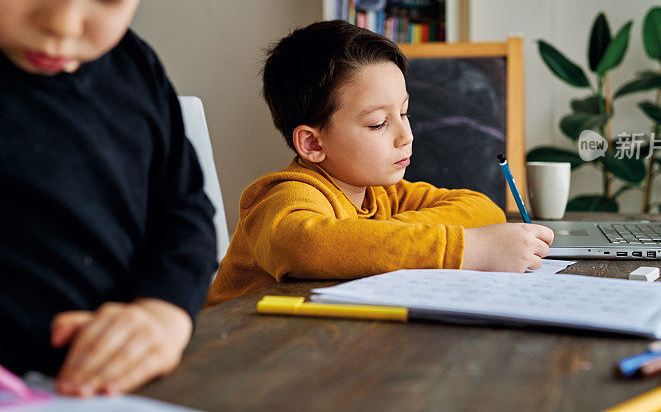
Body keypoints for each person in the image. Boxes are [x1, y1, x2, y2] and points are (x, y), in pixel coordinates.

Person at [0, 0, 216, 397]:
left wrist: (161, 313)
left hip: (109, 389)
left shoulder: (136, 72)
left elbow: (184, 212)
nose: (62, 22)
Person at [206, 20, 553, 306]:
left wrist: (386, 237)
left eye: (404, 112)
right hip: (236, 360)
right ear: (312, 143)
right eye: (378, 124)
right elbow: (304, 245)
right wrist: (470, 249)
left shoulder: (382, 194)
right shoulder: (284, 197)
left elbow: (481, 208)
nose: (407, 135)